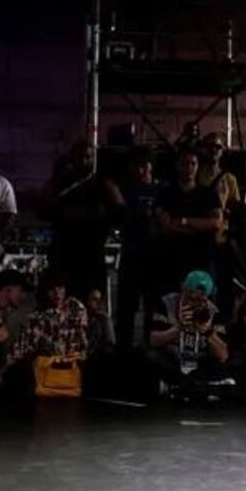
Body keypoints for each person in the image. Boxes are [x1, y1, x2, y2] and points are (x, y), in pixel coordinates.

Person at [44, 140, 116, 298]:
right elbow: (44, 209)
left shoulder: (101, 183)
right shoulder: (60, 183)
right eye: (80, 157)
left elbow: (118, 212)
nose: (85, 161)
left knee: (92, 301)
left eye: (89, 157)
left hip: (91, 252)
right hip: (65, 251)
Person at [154, 147, 224, 292]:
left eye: (193, 163)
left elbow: (215, 224)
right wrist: (199, 225)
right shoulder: (166, 194)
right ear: (177, 166)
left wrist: (183, 221)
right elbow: (166, 226)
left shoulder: (208, 194)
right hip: (172, 263)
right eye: (185, 163)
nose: (189, 168)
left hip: (202, 261)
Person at [148, 271, 233, 389]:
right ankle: (185, 384)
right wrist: (179, 328)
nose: (194, 304)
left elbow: (223, 355)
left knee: (222, 367)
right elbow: (152, 340)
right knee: (151, 356)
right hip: (173, 361)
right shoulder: (166, 303)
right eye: (190, 298)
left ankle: (185, 384)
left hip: (199, 363)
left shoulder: (214, 312)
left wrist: (208, 332)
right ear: (183, 291)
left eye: (200, 301)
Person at [113, 148, 161, 348]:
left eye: (145, 165)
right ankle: (123, 348)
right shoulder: (125, 190)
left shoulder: (161, 190)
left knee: (153, 306)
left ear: (151, 166)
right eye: (137, 166)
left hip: (154, 257)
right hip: (131, 254)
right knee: (126, 307)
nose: (141, 170)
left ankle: (151, 346)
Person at [197, 132, 241, 213]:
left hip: (221, 224)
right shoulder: (195, 176)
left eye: (218, 147)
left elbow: (235, 208)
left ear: (223, 150)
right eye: (209, 146)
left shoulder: (229, 179)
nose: (213, 150)